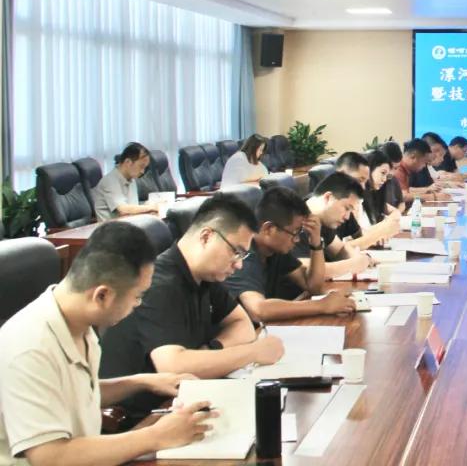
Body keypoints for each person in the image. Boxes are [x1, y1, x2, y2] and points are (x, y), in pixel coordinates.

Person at [0, 222, 212, 466]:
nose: (138, 304)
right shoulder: (30, 347)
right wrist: (156, 436)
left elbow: (78, 394)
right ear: (102, 295)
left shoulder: (77, 322)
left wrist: (144, 381)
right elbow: (50, 457)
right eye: (138, 296)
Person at [100, 194, 285, 417]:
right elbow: (173, 366)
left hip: (186, 399)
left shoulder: (206, 276)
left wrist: (211, 350)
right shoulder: (159, 283)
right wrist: (252, 353)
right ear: (206, 237)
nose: (238, 265)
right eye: (236, 252)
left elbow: (242, 324)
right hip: (143, 416)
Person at [225, 187, 356, 323]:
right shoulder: (243, 256)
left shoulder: (275, 250)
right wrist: (322, 305)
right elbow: (258, 310)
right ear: (269, 229)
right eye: (295, 232)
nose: (297, 240)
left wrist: (316, 242)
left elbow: (312, 286)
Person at [291, 172, 375, 280]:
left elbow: (340, 249)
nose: (347, 217)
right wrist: (353, 264)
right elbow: (304, 269)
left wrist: (360, 258)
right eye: (346, 208)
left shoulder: (321, 218)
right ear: (328, 197)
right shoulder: (293, 220)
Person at [332, 152, 399, 249]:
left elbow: (358, 235)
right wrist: (380, 231)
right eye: (360, 180)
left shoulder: (358, 199)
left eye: (365, 181)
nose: (363, 187)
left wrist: (380, 234)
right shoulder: (333, 205)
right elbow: (338, 250)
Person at [92, 142, 159, 221]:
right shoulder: (110, 181)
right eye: (141, 166)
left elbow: (132, 208)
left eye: (145, 168)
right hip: (112, 227)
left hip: (129, 223)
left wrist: (147, 206)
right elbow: (123, 210)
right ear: (128, 162)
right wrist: (152, 207)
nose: (143, 171)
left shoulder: (131, 179)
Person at [394, 139, 440, 206]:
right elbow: (403, 196)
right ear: (413, 157)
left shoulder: (407, 170)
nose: (424, 166)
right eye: (424, 162)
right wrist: (432, 197)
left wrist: (427, 190)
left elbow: (408, 191)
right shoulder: (398, 169)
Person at [380, 142, 407, 214]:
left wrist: (397, 213)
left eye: (396, 168)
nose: (392, 173)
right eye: (390, 167)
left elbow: (401, 203)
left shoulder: (393, 179)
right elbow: (378, 205)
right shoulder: (372, 181)